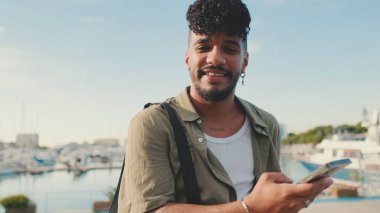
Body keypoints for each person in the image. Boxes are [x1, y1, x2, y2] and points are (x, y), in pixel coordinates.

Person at [118, 0, 333, 212]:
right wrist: (248, 207)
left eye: (229, 49)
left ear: (245, 62)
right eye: (203, 47)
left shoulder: (266, 125)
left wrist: (287, 203)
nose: (215, 58)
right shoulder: (152, 124)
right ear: (187, 60)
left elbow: (269, 204)